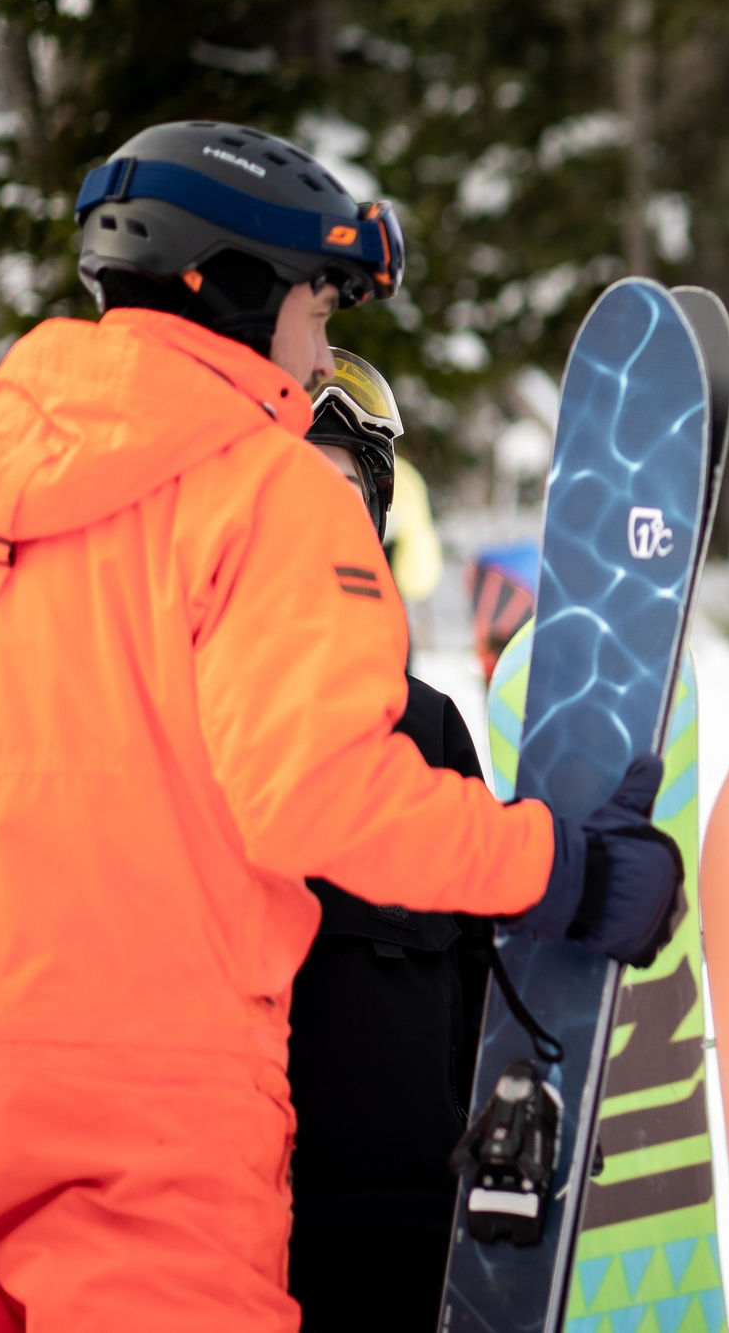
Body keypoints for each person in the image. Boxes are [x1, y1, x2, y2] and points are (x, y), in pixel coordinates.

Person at [0, 121, 683, 1333]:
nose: (319, 359)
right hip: (151, 1108)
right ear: (242, 288)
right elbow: (320, 795)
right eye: (321, 311)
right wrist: (558, 867)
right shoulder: (260, 487)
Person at [288, 349, 494, 1331]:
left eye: (339, 491)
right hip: (243, 1216)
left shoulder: (430, 727)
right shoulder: (171, 707)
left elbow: (477, 960)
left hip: (409, 1220)